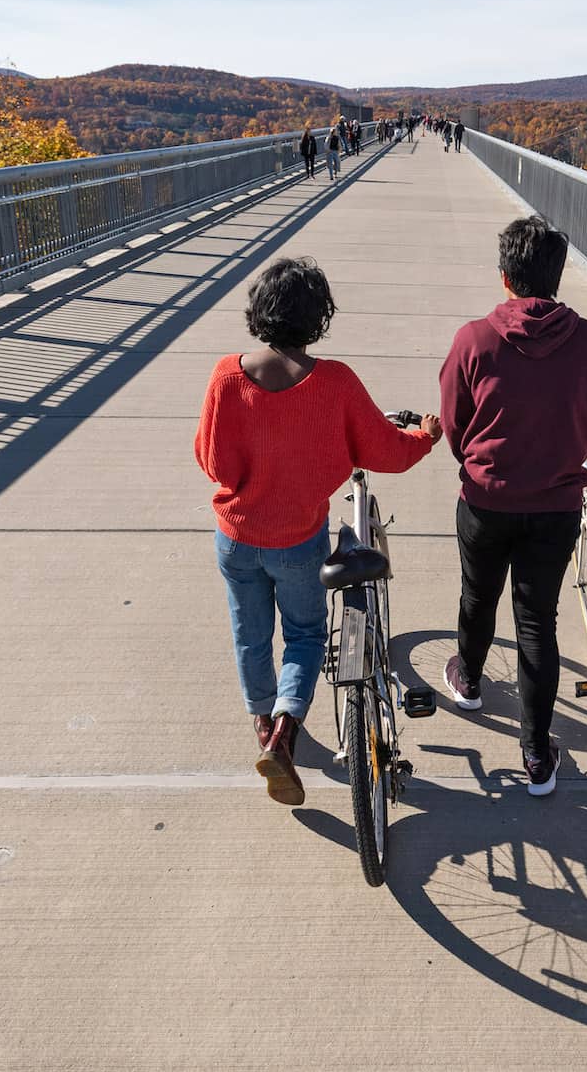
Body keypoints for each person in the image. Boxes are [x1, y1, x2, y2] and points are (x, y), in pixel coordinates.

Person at [438, 217, 587, 795]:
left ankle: (468, 682)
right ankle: (538, 756)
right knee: (537, 624)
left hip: (486, 500)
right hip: (555, 508)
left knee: (478, 594)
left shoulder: (474, 339)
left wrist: (473, 461)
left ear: (505, 277)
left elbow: (453, 423)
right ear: (558, 277)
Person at [196, 258, 442, 805]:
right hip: (298, 539)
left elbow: (214, 464)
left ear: (259, 310)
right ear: (317, 318)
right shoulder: (334, 382)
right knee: (305, 635)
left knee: (250, 633)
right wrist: (425, 437)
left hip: (236, 538)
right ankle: (285, 732)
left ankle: (263, 726)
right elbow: (385, 450)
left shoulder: (225, 377)